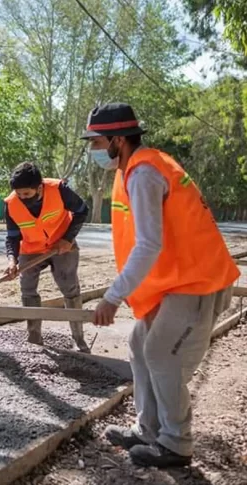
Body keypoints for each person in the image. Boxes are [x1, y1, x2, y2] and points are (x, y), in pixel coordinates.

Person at [83, 102, 238, 468]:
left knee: (161, 352)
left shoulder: (144, 174)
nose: (93, 150)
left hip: (198, 279)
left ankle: (176, 444)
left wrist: (113, 297)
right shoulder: (134, 168)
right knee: (140, 344)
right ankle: (148, 429)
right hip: (177, 280)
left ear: (117, 140)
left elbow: (148, 243)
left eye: (96, 141)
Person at [3, 162, 91, 353]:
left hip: (61, 245)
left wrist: (68, 239)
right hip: (31, 248)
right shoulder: (11, 204)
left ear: (40, 187)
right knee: (27, 289)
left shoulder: (59, 190)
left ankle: (79, 340)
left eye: (27, 194)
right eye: (19, 194)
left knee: (70, 289)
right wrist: (12, 260)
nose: (22, 198)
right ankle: (34, 338)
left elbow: (82, 210)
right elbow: (12, 237)